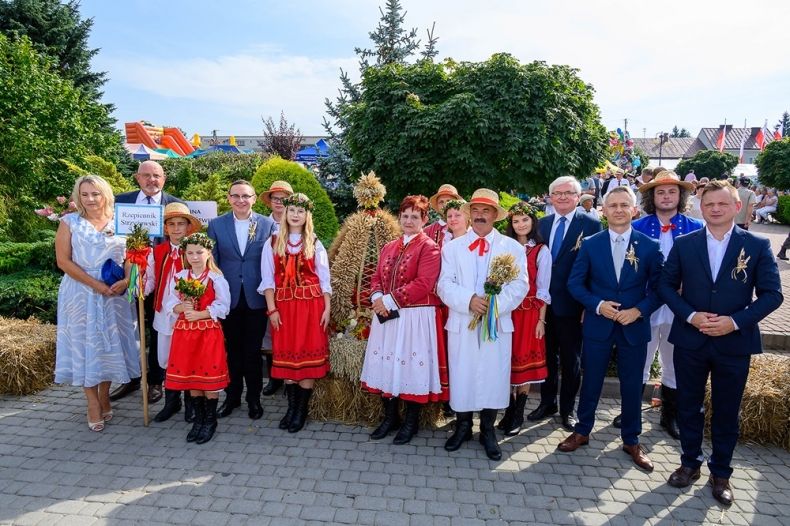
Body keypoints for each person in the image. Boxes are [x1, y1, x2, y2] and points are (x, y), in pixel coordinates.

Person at [660, 180, 783, 506]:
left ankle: (722, 473)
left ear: (736, 206)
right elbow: (666, 286)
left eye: (722, 204)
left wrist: (735, 321)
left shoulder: (757, 245)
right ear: (701, 207)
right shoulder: (685, 243)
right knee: (688, 406)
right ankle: (689, 464)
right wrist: (690, 316)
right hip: (691, 339)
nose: (715, 209)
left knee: (727, 411)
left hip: (733, 343)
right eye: (709, 204)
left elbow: (773, 295)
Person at [558, 186, 664, 471]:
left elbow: (659, 289)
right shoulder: (591, 244)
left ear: (634, 209)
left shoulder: (651, 246)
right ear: (603, 210)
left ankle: (631, 439)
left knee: (632, 385)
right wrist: (598, 305)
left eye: (624, 205)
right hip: (598, 324)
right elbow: (575, 284)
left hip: (633, 326)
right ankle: (582, 430)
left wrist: (639, 310)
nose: (618, 210)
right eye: (612, 205)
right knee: (591, 379)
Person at [437, 189, 528, 460]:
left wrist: (494, 306)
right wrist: (469, 301)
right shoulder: (452, 248)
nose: (479, 216)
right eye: (475, 210)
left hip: (496, 324)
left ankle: (488, 430)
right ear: (469, 214)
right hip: (463, 322)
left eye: (485, 211)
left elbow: (520, 284)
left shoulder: (513, 248)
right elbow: (444, 284)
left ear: (495, 216)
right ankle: (463, 426)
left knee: (492, 376)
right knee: (463, 374)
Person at [616, 171, 703, 438]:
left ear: (681, 196)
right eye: (661, 192)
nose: (666, 196)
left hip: (679, 305)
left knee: (674, 359)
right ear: (652, 197)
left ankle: (670, 414)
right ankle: (630, 410)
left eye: (672, 192)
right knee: (639, 357)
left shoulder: (695, 227)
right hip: (646, 303)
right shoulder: (639, 227)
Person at [54, 174, 140, 432]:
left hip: (115, 294)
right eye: (84, 194)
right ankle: (92, 401)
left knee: (109, 345)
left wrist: (127, 280)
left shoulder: (122, 221)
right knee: (84, 345)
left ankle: (105, 393)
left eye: (95, 194)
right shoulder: (69, 222)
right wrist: (95, 285)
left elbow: (133, 256)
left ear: (106, 195)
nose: (90, 199)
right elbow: (63, 261)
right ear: (78, 197)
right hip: (81, 293)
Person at [360, 195, 447, 445]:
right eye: (405, 216)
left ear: (424, 219)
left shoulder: (429, 247)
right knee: (389, 363)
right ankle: (390, 418)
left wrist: (388, 300)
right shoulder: (390, 246)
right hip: (387, 316)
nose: (409, 221)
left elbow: (424, 283)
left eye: (415, 217)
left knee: (409, 365)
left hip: (415, 317)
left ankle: (410, 422)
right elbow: (377, 276)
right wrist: (377, 295)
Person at [529, 176, 601, 431]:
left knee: (572, 361)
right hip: (543, 305)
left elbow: (596, 268)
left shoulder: (592, 224)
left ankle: (567, 410)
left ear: (578, 196)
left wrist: (588, 306)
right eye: (556, 193)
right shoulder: (542, 224)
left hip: (574, 305)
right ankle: (547, 402)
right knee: (547, 357)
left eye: (567, 193)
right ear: (549, 196)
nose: (561, 197)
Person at [111, 160, 186, 404]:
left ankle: (155, 381)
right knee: (128, 329)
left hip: (160, 280)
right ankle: (131, 378)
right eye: (146, 175)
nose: (151, 180)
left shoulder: (175, 204)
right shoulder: (121, 201)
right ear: (137, 177)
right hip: (126, 277)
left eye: (157, 176)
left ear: (164, 178)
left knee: (157, 330)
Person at [259, 193, 331, 433]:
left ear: (307, 215)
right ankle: (291, 408)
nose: (296, 215)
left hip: (311, 308)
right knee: (288, 359)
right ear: (285, 214)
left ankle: (300, 411)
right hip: (285, 309)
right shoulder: (272, 242)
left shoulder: (315, 242)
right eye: (292, 211)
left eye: (301, 211)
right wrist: (272, 310)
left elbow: (324, 280)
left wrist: (327, 310)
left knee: (306, 360)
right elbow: (268, 280)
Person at [207, 180, 275, 419]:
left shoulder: (267, 225)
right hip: (230, 299)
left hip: (256, 299)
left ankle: (254, 399)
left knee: (253, 352)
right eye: (235, 196)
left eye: (245, 196)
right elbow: (212, 263)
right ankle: (232, 396)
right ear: (228, 198)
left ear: (254, 199)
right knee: (232, 351)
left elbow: (273, 262)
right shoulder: (216, 225)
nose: (240, 200)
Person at [164, 233, 230, 444]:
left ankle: (210, 420)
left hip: (207, 333)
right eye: (190, 253)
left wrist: (201, 313)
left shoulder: (215, 278)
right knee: (192, 374)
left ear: (208, 253)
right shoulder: (180, 276)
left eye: (199, 252)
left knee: (207, 377)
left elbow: (224, 306)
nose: (194, 257)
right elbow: (169, 302)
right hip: (185, 334)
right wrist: (181, 307)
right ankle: (198, 420)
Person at [143, 203, 201, 423]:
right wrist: (139, 287)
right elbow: (151, 280)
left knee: (188, 357)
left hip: (187, 312)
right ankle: (172, 401)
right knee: (166, 357)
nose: (176, 229)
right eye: (172, 224)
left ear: (188, 227)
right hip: (164, 313)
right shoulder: (157, 252)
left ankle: (191, 403)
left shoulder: (195, 252)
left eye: (181, 224)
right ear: (165, 228)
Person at [497, 202, 551, 436]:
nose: (520, 225)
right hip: (506, 312)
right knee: (506, 361)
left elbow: (543, 289)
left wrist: (541, 321)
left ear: (532, 222)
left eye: (524, 220)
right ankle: (508, 410)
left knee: (523, 364)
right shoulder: (504, 248)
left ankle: (518, 413)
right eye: (516, 221)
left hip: (529, 314)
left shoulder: (540, 250)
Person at [258, 180, 294, 397]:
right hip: (268, 287)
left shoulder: (298, 222)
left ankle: (290, 376)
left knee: (289, 333)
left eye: (284, 199)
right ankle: (274, 377)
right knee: (270, 333)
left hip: (291, 291)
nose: (279, 203)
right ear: (269, 202)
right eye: (275, 198)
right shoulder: (261, 225)